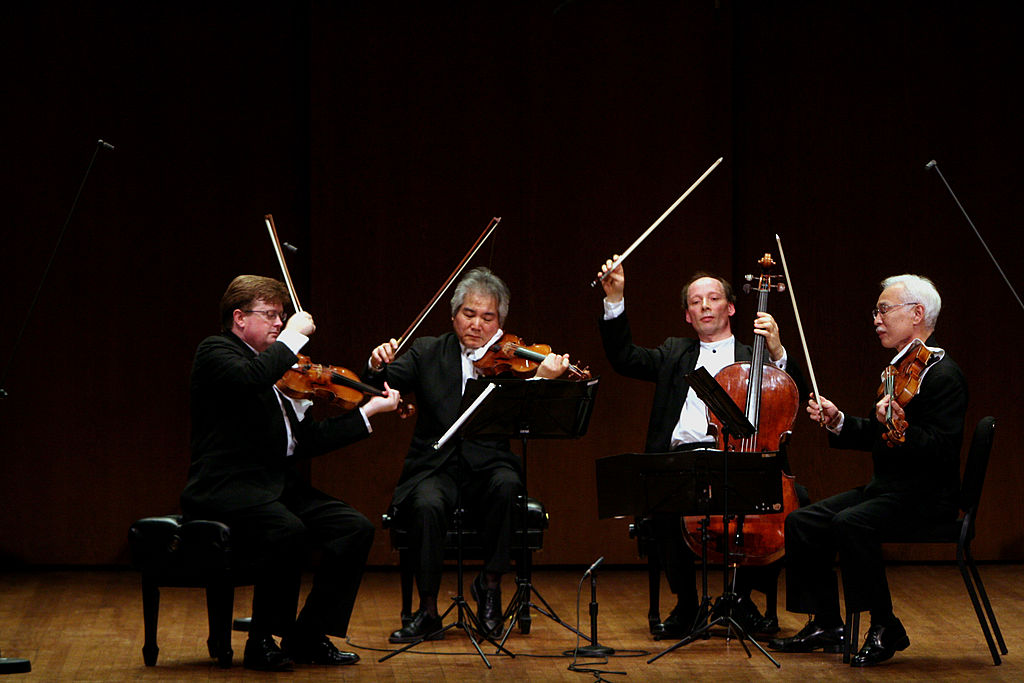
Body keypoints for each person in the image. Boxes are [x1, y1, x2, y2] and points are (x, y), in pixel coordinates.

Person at [180, 275, 402, 671]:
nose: (280, 323)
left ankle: (308, 635)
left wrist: (367, 413)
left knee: (354, 527)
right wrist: (292, 340)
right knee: (287, 530)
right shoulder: (216, 352)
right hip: (227, 488)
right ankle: (262, 639)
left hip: (274, 487)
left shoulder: (282, 372)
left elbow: (307, 441)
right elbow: (249, 380)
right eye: (270, 315)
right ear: (239, 318)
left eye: (283, 316)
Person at [596, 256, 805, 639]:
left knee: (789, 505)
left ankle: (740, 599)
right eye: (696, 301)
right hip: (683, 461)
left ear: (731, 307)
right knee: (661, 497)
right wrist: (615, 298)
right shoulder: (675, 353)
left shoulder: (753, 355)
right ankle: (688, 604)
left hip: (738, 459)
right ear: (688, 316)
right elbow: (624, 358)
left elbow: (793, 393)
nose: (705, 305)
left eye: (713, 298)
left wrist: (777, 351)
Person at [768, 274, 967, 667]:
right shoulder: (898, 372)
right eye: (875, 311)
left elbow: (940, 449)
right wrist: (839, 419)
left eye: (884, 310)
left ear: (917, 314)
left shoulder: (943, 376)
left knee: (851, 523)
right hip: (890, 489)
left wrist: (900, 428)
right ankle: (826, 622)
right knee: (803, 521)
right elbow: (880, 437)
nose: (876, 318)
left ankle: (884, 624)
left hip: (927, 497)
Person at [367, 267, 570, 643]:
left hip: (488, 462)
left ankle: (490, 589)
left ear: (500, 323)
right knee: (426, 504)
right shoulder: (428, 350)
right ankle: (427, 611)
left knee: (508, 486)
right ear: (453, 315)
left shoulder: (514, 361)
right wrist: (377, 363)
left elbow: (526, 414)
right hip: (436, 466)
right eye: (469, 314)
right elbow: (379, 384)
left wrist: (542, 380)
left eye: (488, 317)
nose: (477, 324)